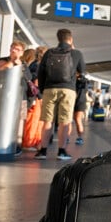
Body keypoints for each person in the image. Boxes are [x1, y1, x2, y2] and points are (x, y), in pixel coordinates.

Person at [34, 29, 86, 161]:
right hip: (68, 89)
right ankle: (61, 151)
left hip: (49, 89)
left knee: (47, 120)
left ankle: (43, 151)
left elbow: (41, 72)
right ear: (71, 39)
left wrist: (42, 89)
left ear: (58, 39)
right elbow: (83, 72)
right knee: (65, 121)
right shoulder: (76, 53)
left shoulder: (49, 52)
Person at [0, 40, 33, 156]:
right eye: (13, 48)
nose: (14, 50)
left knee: (21, 120)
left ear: (22, 52)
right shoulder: (3, 60)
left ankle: (17, 145)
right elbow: (1, 69)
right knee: (2, 118)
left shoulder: (24, 65)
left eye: (17, 49)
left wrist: (19, 64)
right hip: (4, 97)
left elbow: (28, 78)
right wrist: (12, 62)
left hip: (22, 97)